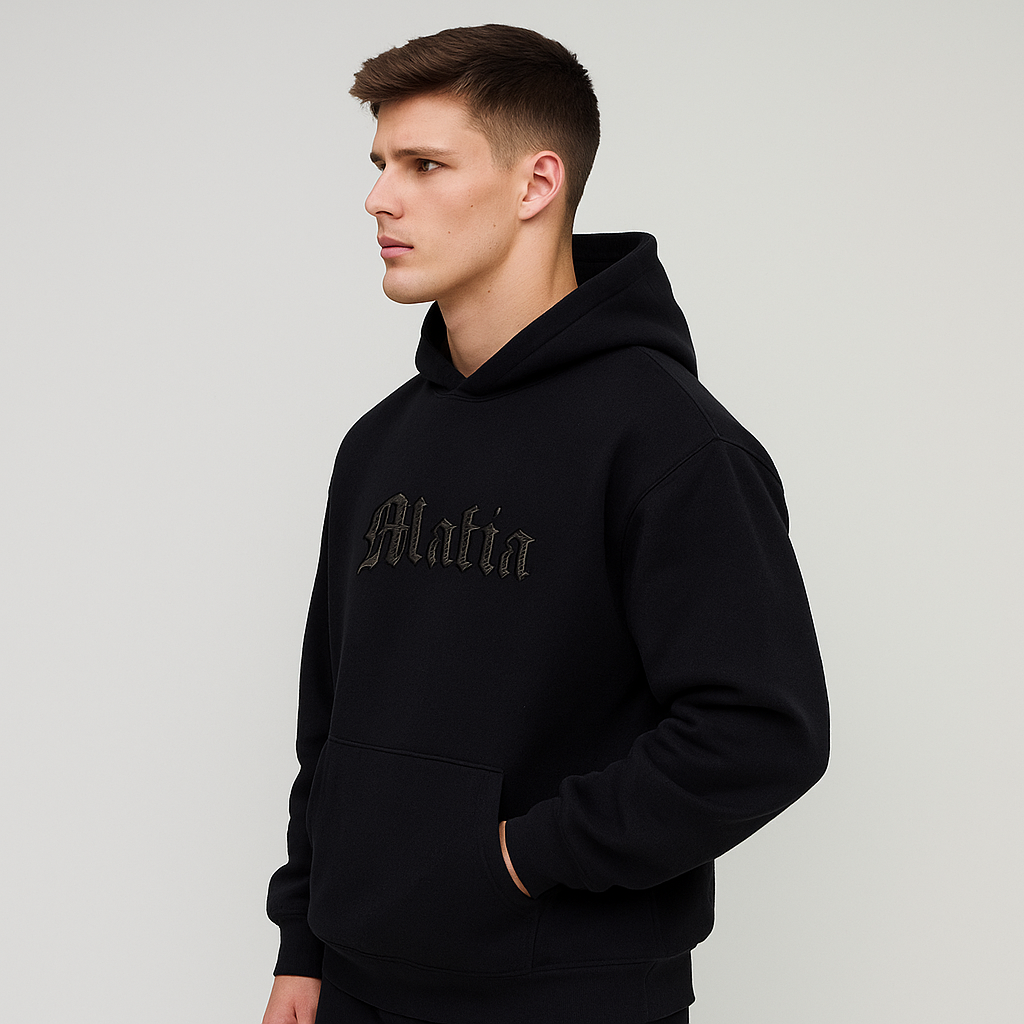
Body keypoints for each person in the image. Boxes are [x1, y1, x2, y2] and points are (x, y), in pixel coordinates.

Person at [262, 24, 829, 1024]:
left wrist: (523, 856)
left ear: (537, 184)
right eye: (380, 164)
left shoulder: (669, 444)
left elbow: (760, 731)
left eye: (424, 165)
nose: (379, 198)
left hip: (567, 999)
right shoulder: (378, 444)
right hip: (352, 987)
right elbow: (330, 721)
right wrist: (301, 947)